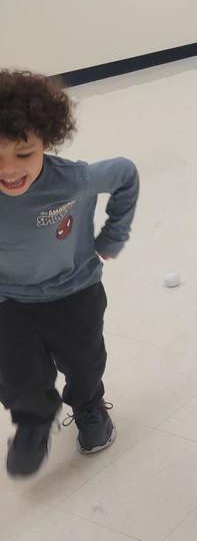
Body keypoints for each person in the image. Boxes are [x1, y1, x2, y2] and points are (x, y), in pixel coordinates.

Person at [0, 70, 139, 477]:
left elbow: (126, 174)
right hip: (8, 297)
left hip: (74, 291)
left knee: (84, 361)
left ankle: (89, 406)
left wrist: (113, 236)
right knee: (14, 370)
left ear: (47, 140)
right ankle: (33, 419)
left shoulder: (74, 179)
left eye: (23, 153)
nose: (8, 169)